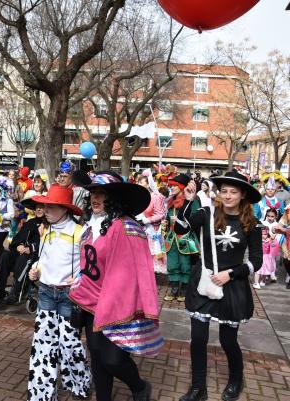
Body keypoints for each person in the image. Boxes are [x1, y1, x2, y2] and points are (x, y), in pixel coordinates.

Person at [69, 171, 157, 401]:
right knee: (97, 355)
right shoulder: (90, 227)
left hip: (118, 305)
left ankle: (139, 387)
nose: (95, 198)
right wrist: (78, 280)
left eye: (102, 193)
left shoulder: (127, 227)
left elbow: (130, 274)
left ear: (114, 199)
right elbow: (87, 263)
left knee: (113, 359)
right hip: (90, 303)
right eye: (93, 194)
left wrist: (108, 302)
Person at [176, 170, 262, 401]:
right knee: (198, 339)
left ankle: (236, 379)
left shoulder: (251, 224)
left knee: (228, 341)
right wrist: (187, 201)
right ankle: (198, 388)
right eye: (224, 191)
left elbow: (256, 261)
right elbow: (181, 229)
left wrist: (231, 274)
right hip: (204, 283)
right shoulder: (207, 213)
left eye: (233, 191)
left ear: (243, 194)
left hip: (232, 288)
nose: (228, 195)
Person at [26, 185, 92, 400]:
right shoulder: (45, 230)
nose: (45, 210)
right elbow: (44, 259)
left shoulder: (80, 232)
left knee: (70, 345)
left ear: (64, 209)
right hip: (45, 293)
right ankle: (41, 394)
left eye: (51, 206)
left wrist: (80, 278)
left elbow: (90, 266)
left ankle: (79, 384)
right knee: (43, 345)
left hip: (67, 298)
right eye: (44, 206)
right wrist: (36, 270)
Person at [0, 199, 44, 305]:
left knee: (23, 259)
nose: (39, 209)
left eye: (41, 207)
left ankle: (16, 293)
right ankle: (0, 290)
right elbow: (17, 238)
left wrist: (30, 248)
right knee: (5, 255)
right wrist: (18, 246)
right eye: (37, 208)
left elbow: (47, 244)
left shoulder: (48, 224)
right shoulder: (29, 223)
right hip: (21, 252)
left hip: (37, 255)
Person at [164, 174, 199, 302]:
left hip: (185, 238)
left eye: (174, 186)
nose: (171, 188)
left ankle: (183, 291)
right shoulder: (171, 203)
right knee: (172, 263)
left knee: (185, 264)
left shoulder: (191, 201)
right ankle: (174, 290)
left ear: (181, 187)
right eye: (171, 186)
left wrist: (179, 220)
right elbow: (167, 218)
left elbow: (195, 218)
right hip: (171, 238)